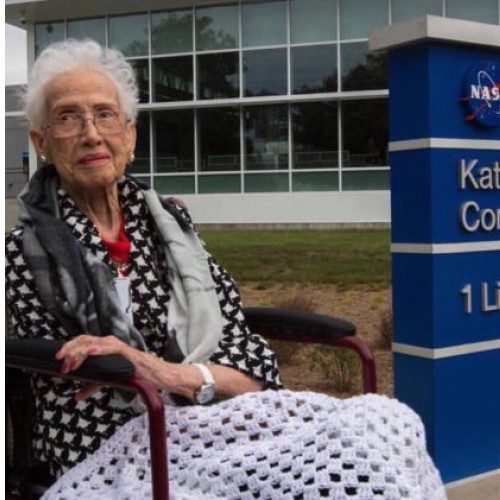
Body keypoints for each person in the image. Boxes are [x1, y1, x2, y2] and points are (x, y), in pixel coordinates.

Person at [7, 39, 445, 498]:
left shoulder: (170, 227)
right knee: (341, 481)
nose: (91, 134)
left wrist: (167, 373)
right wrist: (185, 384)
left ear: (129, 135)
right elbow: (73, 407)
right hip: (128, 450)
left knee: (385, 425)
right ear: (41, 143)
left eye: (104, 114)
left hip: (221, 419)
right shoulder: (24, 254)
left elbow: (251, 359)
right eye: (68, 118)